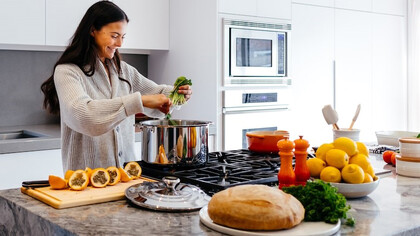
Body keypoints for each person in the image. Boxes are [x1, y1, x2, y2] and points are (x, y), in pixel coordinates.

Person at [40, 1, 191, 172]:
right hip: (86, 181)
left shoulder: (123, 70)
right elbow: (84, 116)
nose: (119, 43)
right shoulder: (67, 72)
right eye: (114, 36)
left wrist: (177, 94)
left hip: (127, 177)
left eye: (122, 36)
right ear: (92, 31)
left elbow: (157, 93)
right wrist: (138, 101)